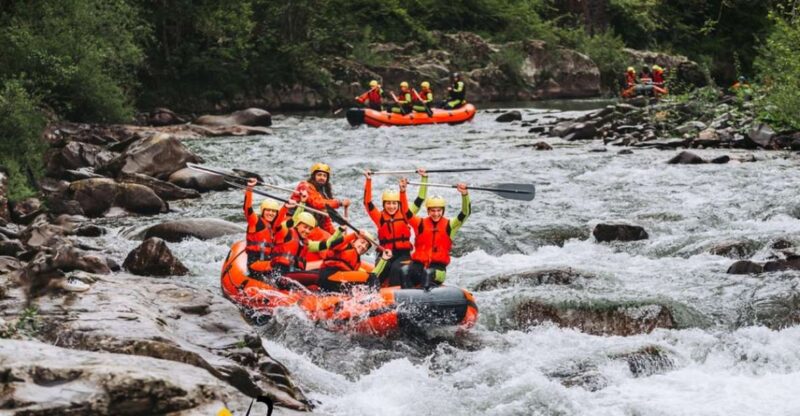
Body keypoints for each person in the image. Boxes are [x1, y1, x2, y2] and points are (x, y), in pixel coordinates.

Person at [363, 168, 428, 285]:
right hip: (385, 253)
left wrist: (424, 178)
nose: (391, 206)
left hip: (402, 254)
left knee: (396, 270)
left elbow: (420, 199)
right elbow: (367, 203)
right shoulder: (380, 218)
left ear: (398, 204)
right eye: (388, 203)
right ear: (384, 204)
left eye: (394, 203)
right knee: (376, 276)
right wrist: (368, 180)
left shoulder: (405, 214)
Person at [405, 184, 471, 290]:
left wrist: (464, 195)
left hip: (438, 271)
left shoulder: (450, 225)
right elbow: (406, 213)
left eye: (439, 210)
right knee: (404, 271)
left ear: (443, 211)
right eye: (433, 210)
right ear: (428, 211)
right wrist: (402, 191)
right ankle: (405, 299)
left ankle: (423, 299)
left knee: (428, 273)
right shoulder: (420, 223)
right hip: (420, 266)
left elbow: (465, 213)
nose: (436, 214)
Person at [270, 198, 343, 276]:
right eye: (305, 227)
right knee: (317, 276)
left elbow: (327, 244)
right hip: (279, 272)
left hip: (293, 273)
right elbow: (276, 224)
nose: (307, 231)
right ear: (297, 225)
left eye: (310, 229)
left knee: (321, 273)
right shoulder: (286, 233)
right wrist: (285, 207)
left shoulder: (307, 243)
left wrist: (340, 230)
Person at [316, 226, 392, 292]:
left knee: (370, 278)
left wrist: (384, 259)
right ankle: (371, 301)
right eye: (362, 242)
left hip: (338, 280)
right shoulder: (346, 246)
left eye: (366, 246)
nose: (363, 247)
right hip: (330, 275)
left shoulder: (357, 262)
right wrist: (353, 235)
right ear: (354, 241)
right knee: (369, 278)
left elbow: (374, 274)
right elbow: (332, 245)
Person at [243, 177, 292, 278]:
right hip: (255, 264)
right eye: (268, 210)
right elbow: (247, 208)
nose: (271, 213)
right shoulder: (255, 222)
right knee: (277, 270)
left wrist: (286, 207)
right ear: (263, 211)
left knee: (283, 266)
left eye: (273, 211)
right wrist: (250, 188)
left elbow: (281, 218)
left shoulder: (273, 226)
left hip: (267, 262)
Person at [293, 163, 350, 234]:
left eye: (325, 176)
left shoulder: (323, 196)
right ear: (313, 176)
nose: (322, 178)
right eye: (319, 175)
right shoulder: (305, 186)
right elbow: (317, 203)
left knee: (331, 238)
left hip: (309, 226)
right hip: (295, 222)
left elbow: (326, 222)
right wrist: (339, 203)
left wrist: (336, 235)